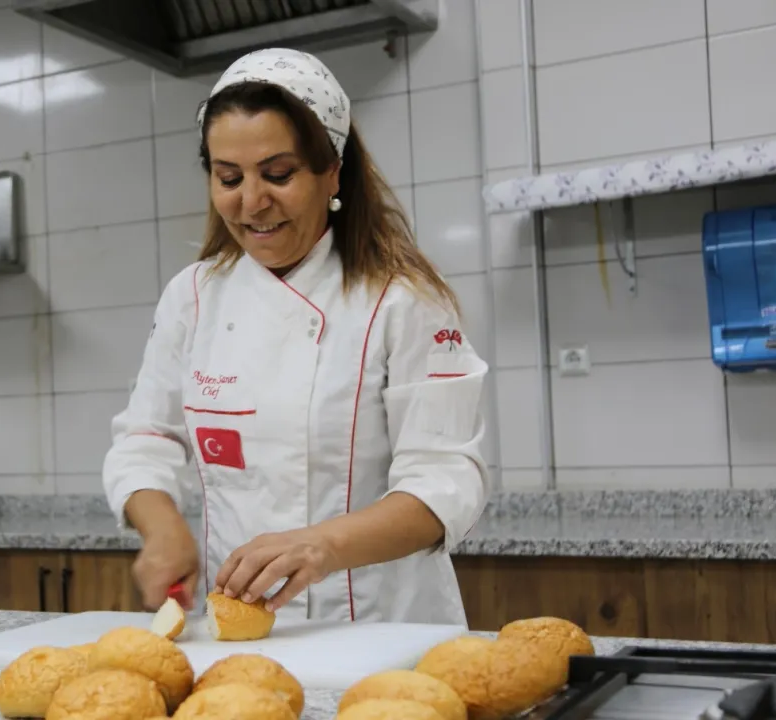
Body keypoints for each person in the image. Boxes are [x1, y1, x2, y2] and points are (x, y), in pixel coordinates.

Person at [101, 48, 489, 626]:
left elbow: (446, 480)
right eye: (228, 178)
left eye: (278, 175)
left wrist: (322, 546)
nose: (251, 201)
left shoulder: (402, 298)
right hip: (241, 630)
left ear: (332, 171)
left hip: (385, 630)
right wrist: (162, 529)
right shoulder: (193, 296)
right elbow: (146, 438)